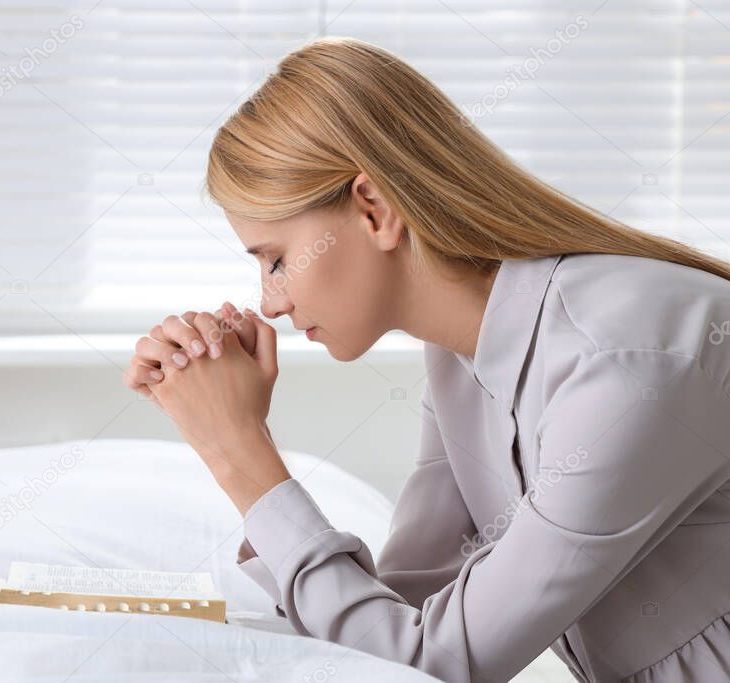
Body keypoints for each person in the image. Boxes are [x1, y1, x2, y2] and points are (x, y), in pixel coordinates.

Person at [122, 37, 730, 682]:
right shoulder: (461, 358)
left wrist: (237, 451)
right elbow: (405, 612)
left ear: (373, 209)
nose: (269, 303)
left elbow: (441, 663)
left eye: (276, 260)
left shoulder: (626, 360)